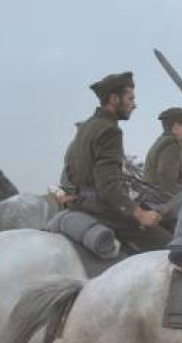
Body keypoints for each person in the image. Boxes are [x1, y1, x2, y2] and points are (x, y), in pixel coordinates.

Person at [63, 71, 172, 253]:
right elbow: (108, 187)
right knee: (174, 247)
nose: (134, 105)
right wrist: (140, 214)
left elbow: (70, 170)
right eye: (130, 99)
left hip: (80, 205)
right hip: (104, 212)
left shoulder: (86, 127)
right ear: (114, 99)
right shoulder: (110, 131)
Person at [145, 107, 182, 201]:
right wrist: (178, 201)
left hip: (153, 197)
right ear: (176, 126)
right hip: (162, 201)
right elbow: (166, 175)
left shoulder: (161, 141)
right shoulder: (172, 144)